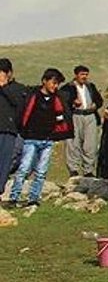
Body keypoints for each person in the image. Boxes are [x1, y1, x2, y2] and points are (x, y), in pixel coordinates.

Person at [7, 69, 73, 207]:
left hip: (47, 139)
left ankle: (34, 199)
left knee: (41, 172)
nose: (55, 86)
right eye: (53, 83)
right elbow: (23, 114)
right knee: (24, 169)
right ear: (44, 81)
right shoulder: (32, 96)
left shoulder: (57, 99)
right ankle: (14, 197)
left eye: (57, 84)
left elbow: (61, 117)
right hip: (31, 138)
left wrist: (59, 133)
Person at [61, 65, 104, 177]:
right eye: (82, 74)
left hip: (90, 116)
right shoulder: (67, 87)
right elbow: (62, 100)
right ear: (76, 75)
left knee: (90, 144)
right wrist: (72, 102)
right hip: (75, 116)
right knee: (73, 144)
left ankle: (88, 170)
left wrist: (96, 105)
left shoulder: (90, 86)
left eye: (86, 74)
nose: (84, 77)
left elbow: (99, 100)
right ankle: (73, 169)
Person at [0, 59, 27, 196]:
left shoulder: (18, 88)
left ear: (9, 73)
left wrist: (4, 87)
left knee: (5, 163)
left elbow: (19, 104)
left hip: (8, 130)